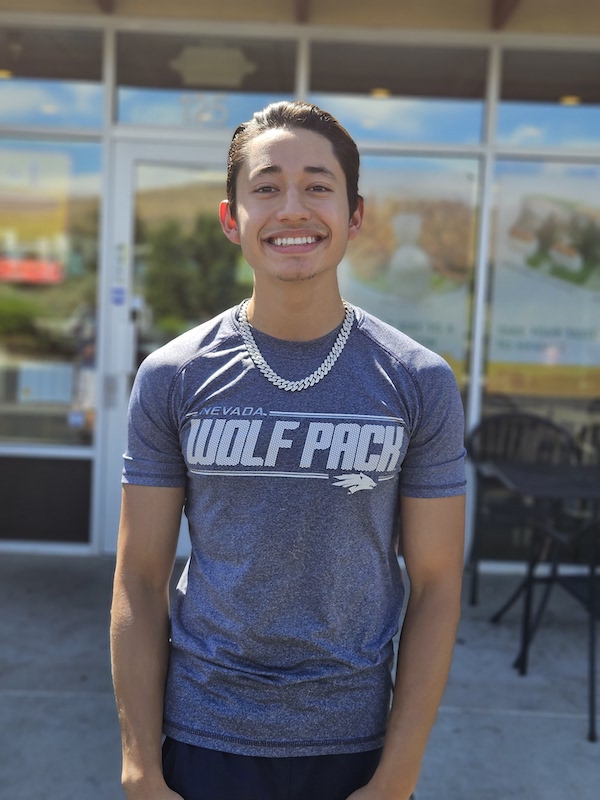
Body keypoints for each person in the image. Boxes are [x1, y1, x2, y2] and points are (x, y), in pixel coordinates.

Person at [110, 100, 466, 800]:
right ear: (231, 218)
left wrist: (398, 775)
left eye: (318, 186)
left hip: (355, 746)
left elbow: (437, 586)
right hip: (203, 737)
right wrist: (140, 768)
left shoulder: (417, 381)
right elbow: (139, 581)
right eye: (267, 187)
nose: (293, 208)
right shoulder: (173, 377)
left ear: (356, 215)